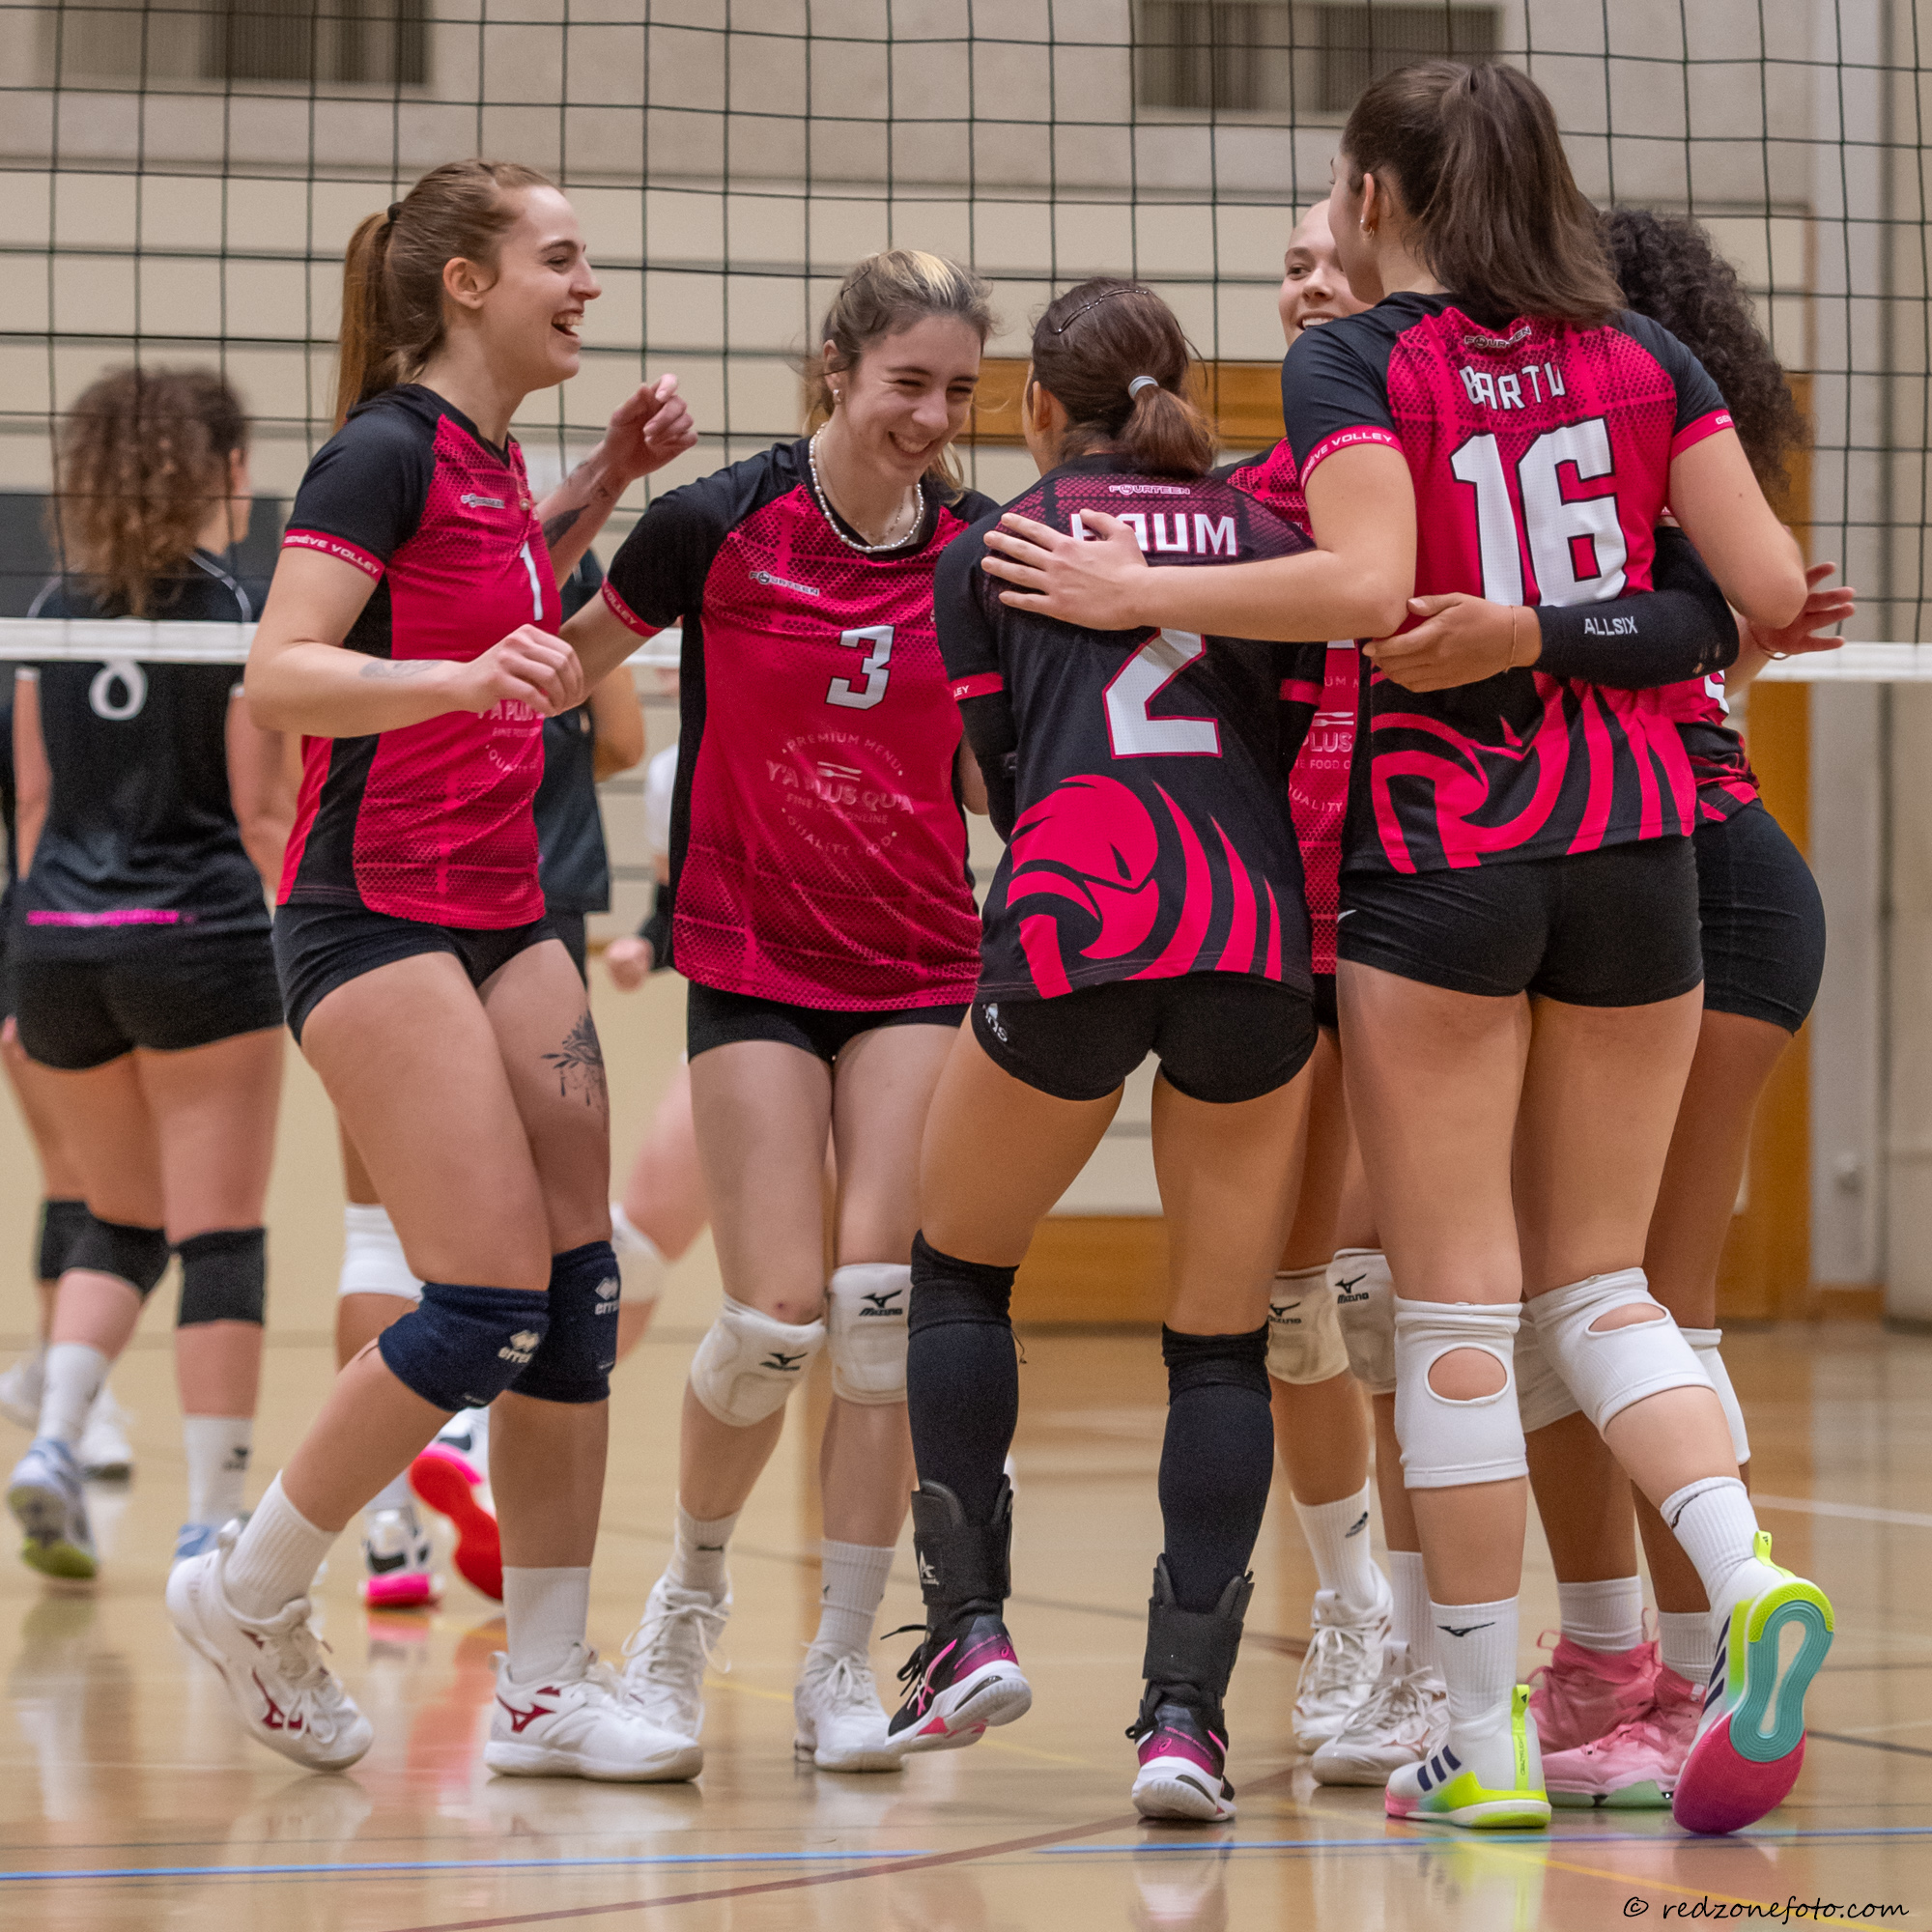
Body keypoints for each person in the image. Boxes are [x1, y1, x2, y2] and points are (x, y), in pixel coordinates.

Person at [976, 61, 1831, 1838]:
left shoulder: (1359, 361)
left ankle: (1482, 1738)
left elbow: (1364, 591)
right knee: (1605, 1289)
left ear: (1375, 198)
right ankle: (1746, 1579)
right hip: (1639, 845)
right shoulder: (1644, 357)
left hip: (1448, 857)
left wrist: (1143, 591)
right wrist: (1556, 625)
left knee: (1448, 1305)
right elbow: (1759, 599)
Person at [164, 156, 699, 1782]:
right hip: (371, 910)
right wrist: (460, 680)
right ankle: (247, 1591)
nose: (588, 287)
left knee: (580, 1288)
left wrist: (601, 483)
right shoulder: (382, 448)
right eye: (561, 258)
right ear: (467, 283)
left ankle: (542, 1688)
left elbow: (491, 575)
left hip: (501, 905)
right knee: (478, 1300)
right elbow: (284, 673)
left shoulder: (487, 457)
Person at [891, 279, 1326, 1824]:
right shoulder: (1273, 542)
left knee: (959, 1271)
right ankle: (1185, 1725)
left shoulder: (993, 547)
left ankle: (968, 1631)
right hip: (1254, 929)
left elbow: (1002, 778)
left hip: (1080, 914)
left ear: (1034, 409)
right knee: (1219, 1343)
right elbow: (1284, 736)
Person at [560, 248, 996, 1776]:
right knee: (771, 1323)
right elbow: (564, 669)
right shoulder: (717, 520)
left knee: (880, 1316)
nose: (931, 416)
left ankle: (840, 1660)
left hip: (920, 961)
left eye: (958, 391)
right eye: (906, 384)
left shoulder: (980, 552)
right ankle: (683, 1609)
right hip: (751, 956)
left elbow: (1006, 773)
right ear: (836, 369)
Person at [1518, 206, 1850, 1810]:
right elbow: (1739, 647)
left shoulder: (1553, 472)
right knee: (1666, 1300)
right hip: (1751, 875)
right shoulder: (1691, 486)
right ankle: (1702, 1660)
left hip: (1654, 870)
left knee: (1579, 1295)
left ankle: (1638, 1665)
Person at [4, 366, 296, 1579]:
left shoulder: (47, 609)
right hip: (198, 937)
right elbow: (263, 809)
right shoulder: (236, 609)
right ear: (218, 470)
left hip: (56, 943)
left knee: (117, 1218)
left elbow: (32, 803)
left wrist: (31, 952)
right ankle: (210, 1520)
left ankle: (55, 1440)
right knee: (220, 1234)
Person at [337, 550, 646, 1611]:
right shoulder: (570, 561)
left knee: (376, 1231)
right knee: (552, 1232)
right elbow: (621, 738)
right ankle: (465, 1435)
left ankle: (387, 1529)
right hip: (535, 892)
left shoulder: (391, 550)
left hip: (394, 890)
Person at [1227, 200, 1413, 1770]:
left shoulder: (1445, 486)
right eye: (1292, 264)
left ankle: (1435, 1627)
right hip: (1278, 929)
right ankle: (1353, 1610)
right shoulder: (1235, 506)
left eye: (1332, 259)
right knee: (1298, 1302)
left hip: (1430, 912)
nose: (1307, 282)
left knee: (1402, 1294)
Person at [0, 668, 130, 1482]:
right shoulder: (36, 651)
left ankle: (54, 1374)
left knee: (107, 1182)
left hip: (134, 931)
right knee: (78, 1176)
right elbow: (31, 806)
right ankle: (76, 1400)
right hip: (45, 936)